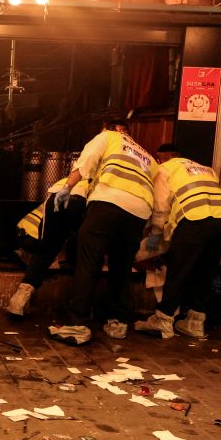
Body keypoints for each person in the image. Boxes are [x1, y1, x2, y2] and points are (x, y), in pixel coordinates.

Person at [48, 118, 158, 345]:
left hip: (108, 201)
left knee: (88, 259)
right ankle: (118, 322)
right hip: (138, 212)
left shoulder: (107, 136)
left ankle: (78, 325)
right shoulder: (146, 155)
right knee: (121, 266)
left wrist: (67, 187)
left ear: (108, 128)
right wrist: (153, 227)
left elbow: (85, 163)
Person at [133, 147, 221, 339]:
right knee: (205, 272)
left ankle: (163, 320)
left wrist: (155, 231)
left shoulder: (165, 169)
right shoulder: (205, 169)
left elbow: (161, 205)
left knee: (179, 270)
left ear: (161, 158)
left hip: (195, 220)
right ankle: (195, 323)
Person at [5, 176, 90, 318]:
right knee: (86, 249)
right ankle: (82, 308)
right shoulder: (97, 179)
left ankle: (18, 301)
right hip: (80, 201)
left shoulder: (73, 177)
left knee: (45, 252)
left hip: (53, 201)